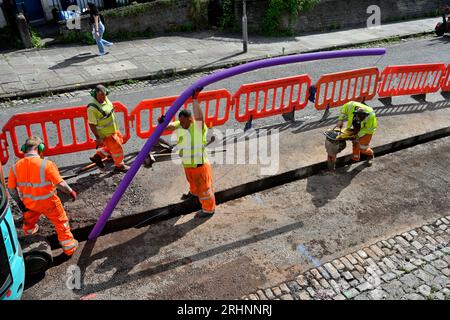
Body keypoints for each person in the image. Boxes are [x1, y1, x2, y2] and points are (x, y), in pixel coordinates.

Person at [7, 136, 79, 256]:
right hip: (50, 204)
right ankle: (69, 247)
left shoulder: (15, 167)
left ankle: (31, 240)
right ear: (40, 148)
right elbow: (60, 184)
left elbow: (11, 189)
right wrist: (70, 191)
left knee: (29, 222)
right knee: (61, 223)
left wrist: (20, 203)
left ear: (24, 149)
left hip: (29, 204)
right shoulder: (47, 164)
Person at [161, 89, 216, 218]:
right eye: (181, 122)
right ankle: (193, 193)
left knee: (205, 190)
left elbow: (200, 117)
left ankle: (209, 210)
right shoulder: (180, 124)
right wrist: (163, 122)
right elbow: (168, 126)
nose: (182, 124)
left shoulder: (197, 128)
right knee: (192, 182)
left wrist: (195, 99)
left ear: (190, 120)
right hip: (188, 165)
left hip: (199, 166)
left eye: (185, 122)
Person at [88, 85, 129, 173]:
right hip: (107, 134)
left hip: (114, 131)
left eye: (104, 95)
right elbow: (91, 124)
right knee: (117, 149)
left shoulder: (105, 99)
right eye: (101, 96)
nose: (103, 98)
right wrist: (98, 138)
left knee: (111, 148)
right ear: (95, 95)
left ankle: (98, 157)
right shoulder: (92, 108)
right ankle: (119, 166)